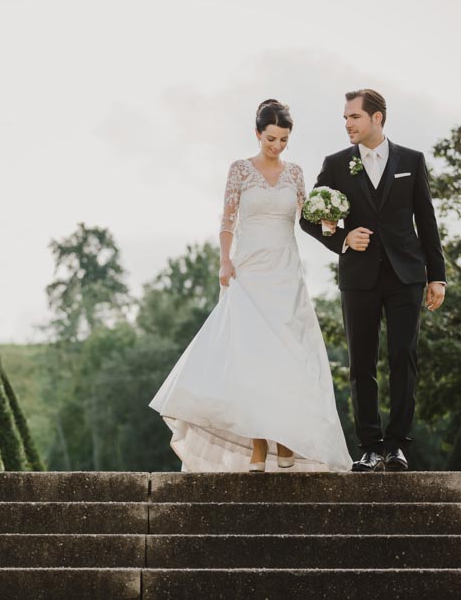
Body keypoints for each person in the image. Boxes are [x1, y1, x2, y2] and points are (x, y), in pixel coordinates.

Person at [149, 99, 353, 473]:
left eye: (284, 140)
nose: (277, 146)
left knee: (290, 357)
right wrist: (225, 260)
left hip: (287, 273)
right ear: (257, 133)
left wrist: (328, 222)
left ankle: (288, 437)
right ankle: (259, 443)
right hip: (250, 273)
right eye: (271, 138)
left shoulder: (295, 174)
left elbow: (306, 218)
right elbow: (226, 221)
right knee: (253, 358)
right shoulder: (240, 170)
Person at [299, 89, 446, 472]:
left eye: (354, 117)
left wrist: (438, 277)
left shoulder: (411, 161)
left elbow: (426, 220)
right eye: (345, 118)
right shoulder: (335, 164)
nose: (347, 124)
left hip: (406, 276)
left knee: (403, 357)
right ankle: (369, 446)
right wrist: (342, 238)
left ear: (377, 118)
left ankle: (397, 445)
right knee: (361, 363)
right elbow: (308, 217)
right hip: (359, 276)